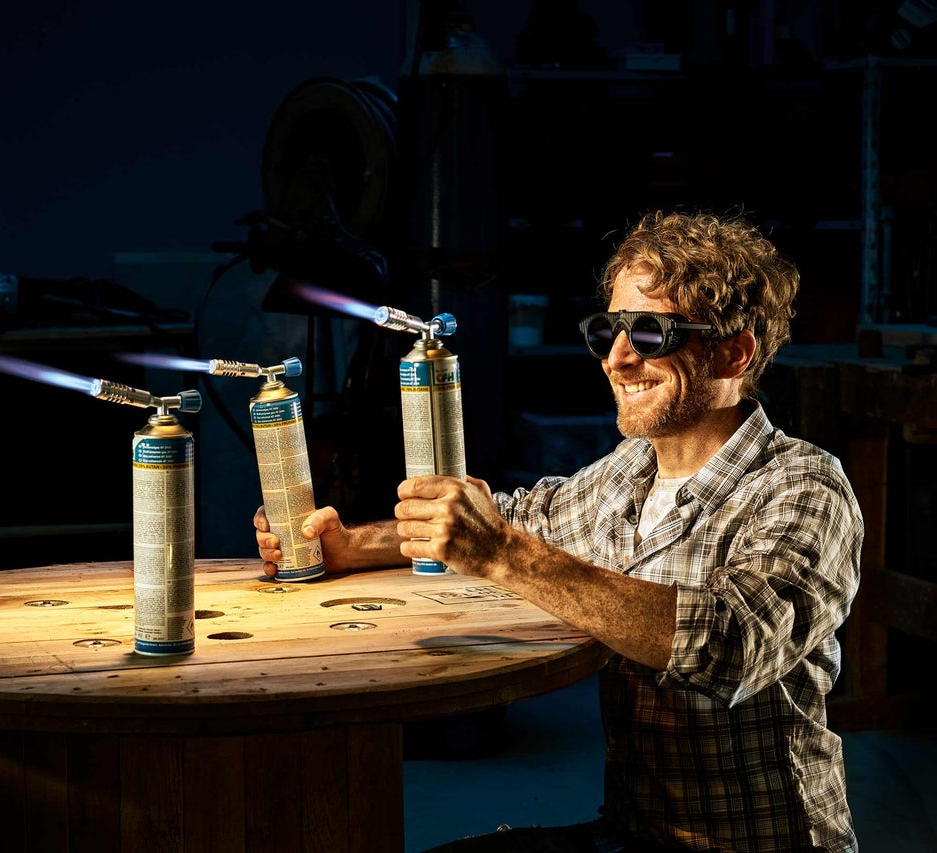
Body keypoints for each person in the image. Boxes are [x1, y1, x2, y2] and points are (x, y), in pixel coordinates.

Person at [253, 210, 864, 853]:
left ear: (734, 352)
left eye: (651, 334)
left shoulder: (802, 486)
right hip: (635, 833)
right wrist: (351, 544)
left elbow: (732, 645)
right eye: (608, 331)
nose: (617, 360)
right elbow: (516, 519)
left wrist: (504, 555)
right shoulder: (633, 470)